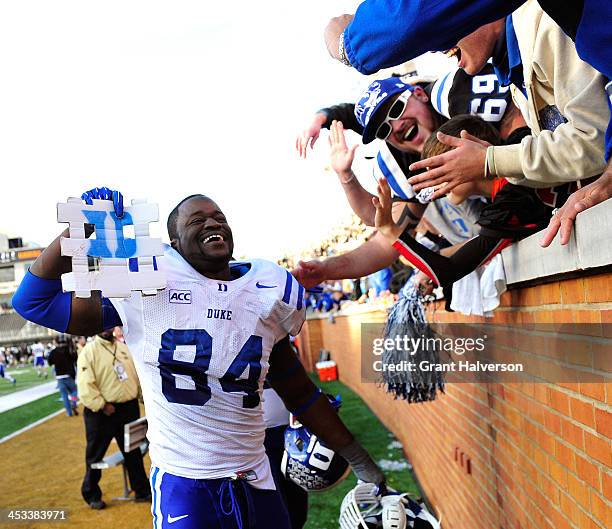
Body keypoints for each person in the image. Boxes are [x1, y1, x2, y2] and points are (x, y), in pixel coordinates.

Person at [12, 188, 385, 529]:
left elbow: (300, 393)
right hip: (185, 481)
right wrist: (81, 228)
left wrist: (362, 463)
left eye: (219, 217)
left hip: (256, 475)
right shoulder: (147, 288)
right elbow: (32, 301)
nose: (212, 222)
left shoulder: (263, 292)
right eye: (197, 219)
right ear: (174, 243)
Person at [372, 115, 556, 308]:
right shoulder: (517, 144)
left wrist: (390, 230)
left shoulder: (508, 199)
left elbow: (448, 271)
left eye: (440, 170)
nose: (436, 184)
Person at [76, 328, 150, 508]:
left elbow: (136, 375)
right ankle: (91, 494)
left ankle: (141, 490)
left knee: (133, 452)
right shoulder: (89, 351)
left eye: (109, 325)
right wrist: (101, 405)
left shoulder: (123, 348)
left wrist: (142, 395)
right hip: (103, 412)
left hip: (128, 408)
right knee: (95, 454)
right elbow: (85, 385)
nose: (106, 328)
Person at [47, 334, 78, 416]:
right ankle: (74, 402)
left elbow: (50, 362)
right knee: (74, 391)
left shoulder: (54, 351)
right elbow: (76, 359)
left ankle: (69, 413)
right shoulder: (69, 350)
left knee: (64, 396)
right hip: (69, 375)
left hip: (59, 377)